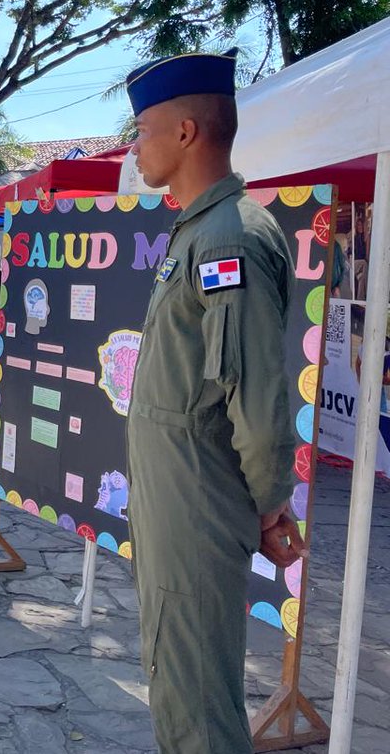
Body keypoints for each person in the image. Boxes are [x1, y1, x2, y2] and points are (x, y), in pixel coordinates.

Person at [124, 50, 304, 753]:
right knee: (179, 679)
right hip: (180, 495)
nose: (134, 145)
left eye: (142, 129)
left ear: (187, 133)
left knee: (198, 706)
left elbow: (255, 398)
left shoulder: (228, 237)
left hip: (199, 501)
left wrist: (267, 503)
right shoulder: (203, 230)